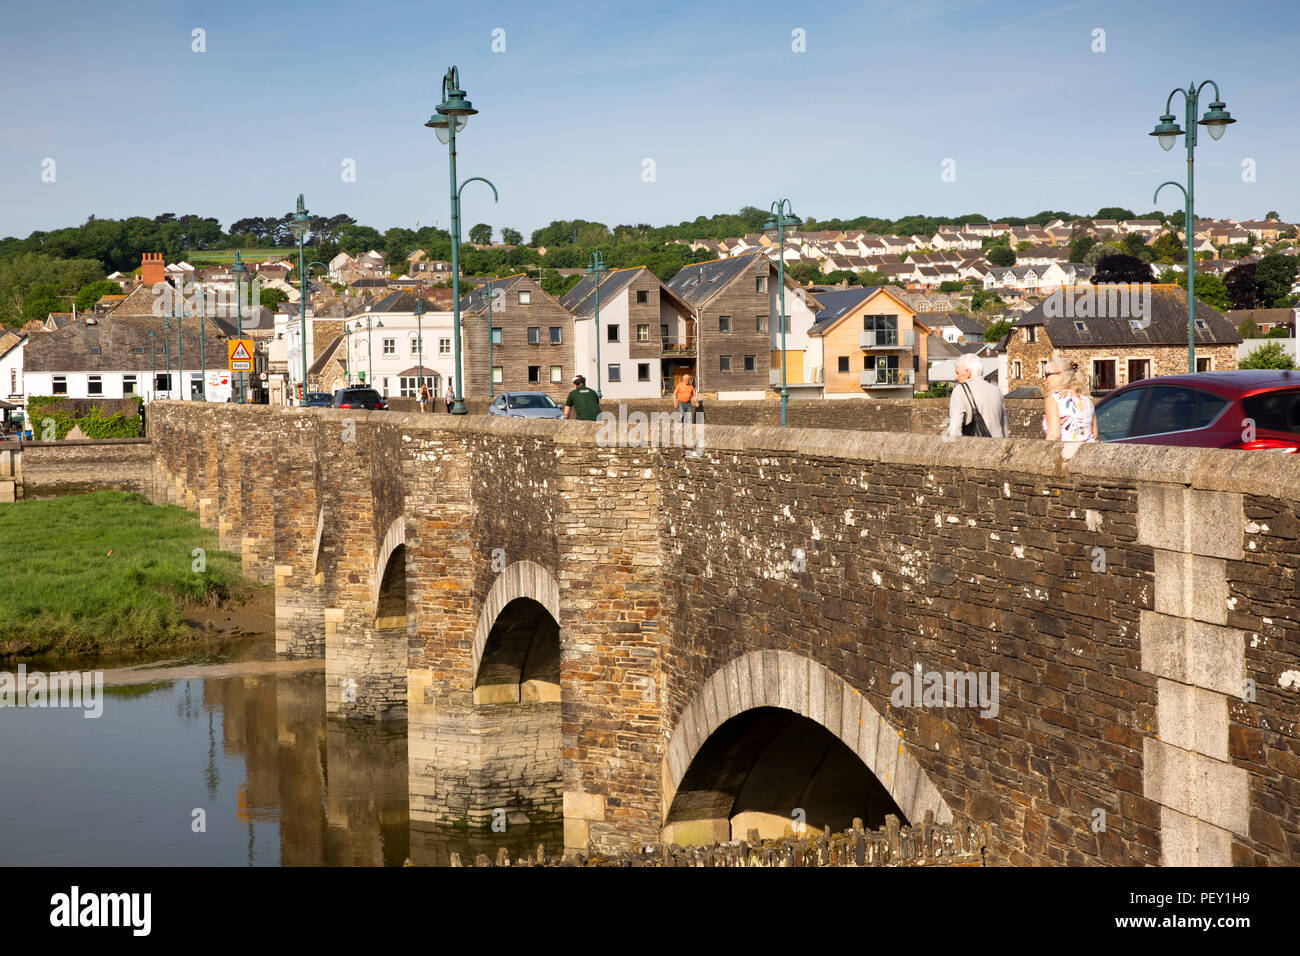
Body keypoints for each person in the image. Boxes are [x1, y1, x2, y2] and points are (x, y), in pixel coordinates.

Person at [947, 352, 1008, 438]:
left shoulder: (960, 390)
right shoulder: (996, 390)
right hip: (997, 446)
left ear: (967, 373)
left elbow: (955, 428)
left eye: (957, 373)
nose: (956, 377)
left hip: (974, 446)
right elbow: (1004, 427)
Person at [1042, 354, 1097, 442]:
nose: (1044, 379)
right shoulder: (1086, 399)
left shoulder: (1053, 399)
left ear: (1060, 375)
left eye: (1047, 375)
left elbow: (1054, 435)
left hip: (1067, 452)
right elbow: (1095, 434)